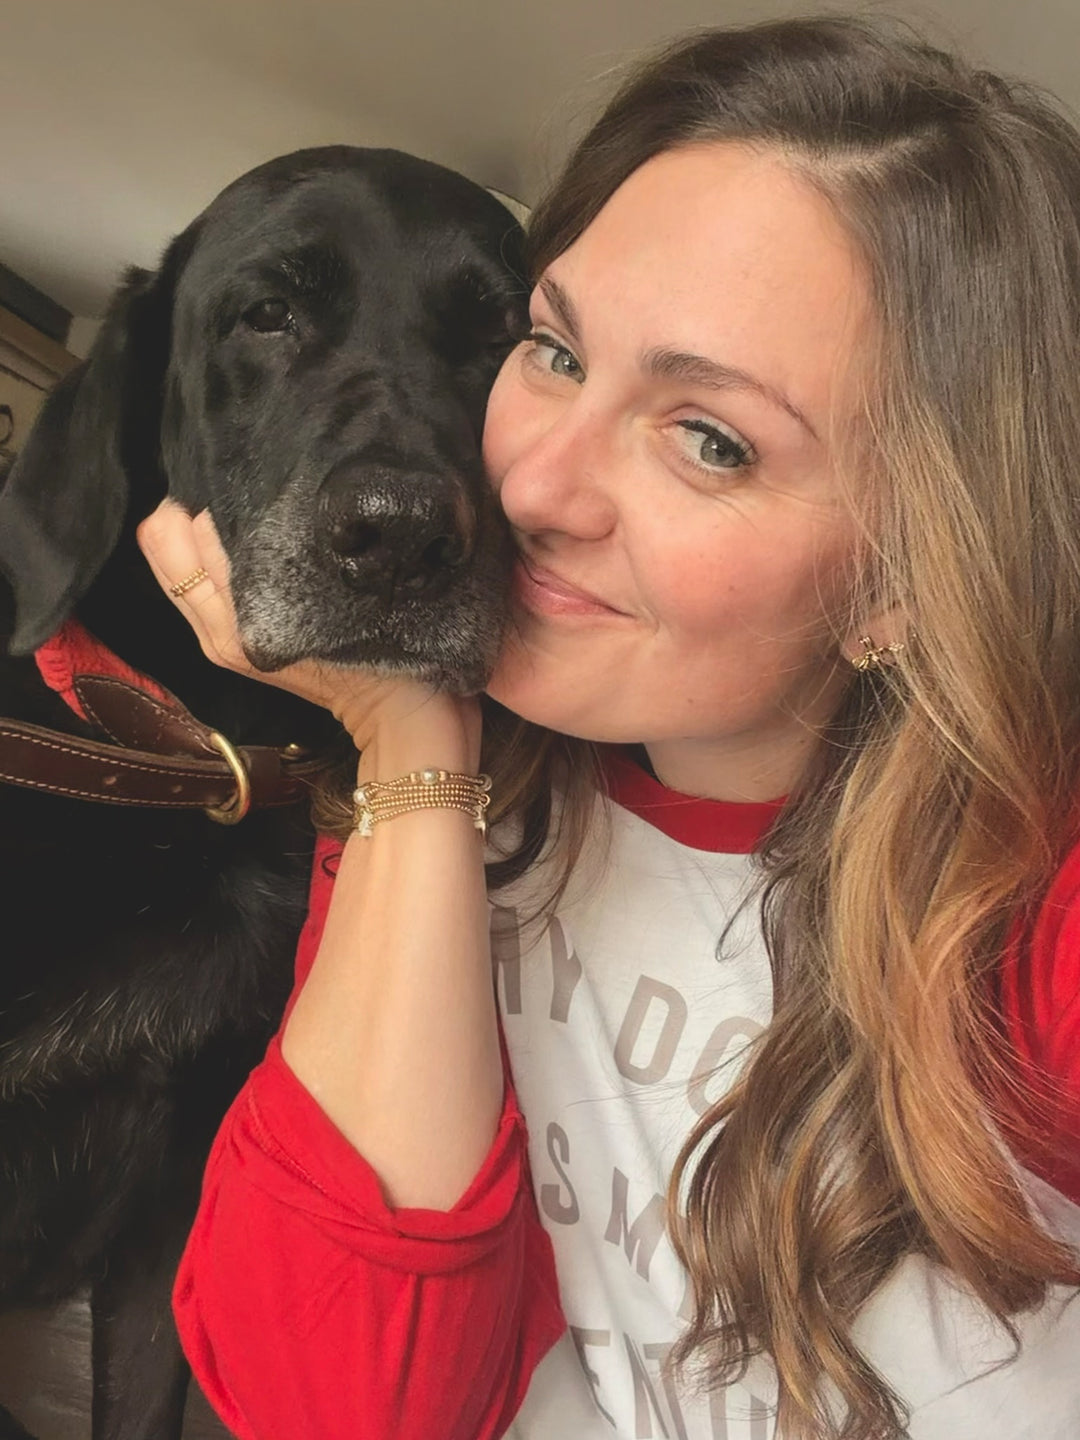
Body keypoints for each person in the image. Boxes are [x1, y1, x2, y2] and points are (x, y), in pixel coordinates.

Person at [136, 16, 1080, 1440]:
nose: (525, 489)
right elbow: (339, 1407)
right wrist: (408, 748)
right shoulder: (449, 814)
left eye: (713, 438)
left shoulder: (1031, 899)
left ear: (902, 580)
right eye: (554, 350)